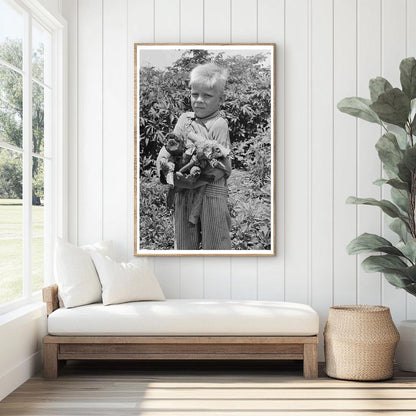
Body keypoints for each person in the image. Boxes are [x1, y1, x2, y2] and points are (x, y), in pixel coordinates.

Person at [157, 62, 232, 250]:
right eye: (194, 94)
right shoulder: (185, 120)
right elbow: (170, 145)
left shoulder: (219, 124)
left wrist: (195, 181)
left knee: (216, 242)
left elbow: (222, 166)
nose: (199, 100)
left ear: (220, 99)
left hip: (211, 191)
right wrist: (165, 163)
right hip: (184, 190)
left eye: (207, 95)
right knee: (184, 244)